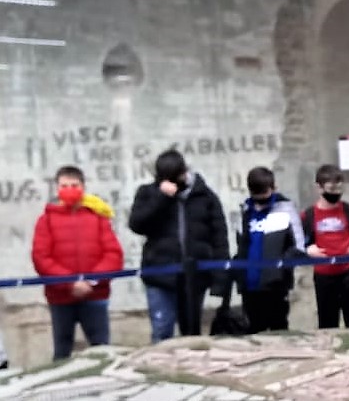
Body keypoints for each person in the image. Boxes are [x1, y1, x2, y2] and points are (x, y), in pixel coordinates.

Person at [129, 151, 229, 342]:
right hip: (159, 274)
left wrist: (219, 278)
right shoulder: (148, 193)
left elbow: (219, 238)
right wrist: (162, 197)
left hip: (195, 275)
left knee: (191, 332)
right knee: (162, 329)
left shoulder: (205, 196)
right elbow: (137, 224)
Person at [30, 166, 125, 360]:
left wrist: (91, 281)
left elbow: (113, 255)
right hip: (60, 298)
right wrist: (70, 283)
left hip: (95, 295)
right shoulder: (46, 220)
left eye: (74, 185)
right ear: (57, 188)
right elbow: (41, 258)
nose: (69, 190)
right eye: (64, 186)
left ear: (83, 187)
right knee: (62, 352)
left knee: (102, 351)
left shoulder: (98, 218)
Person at [233, 167, 306, 333]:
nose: (261, 198)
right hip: (249, 285)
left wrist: (279, 268)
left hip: (276, 286)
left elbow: (299, 247)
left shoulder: (286, 209)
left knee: (278, 330)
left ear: (273, 188)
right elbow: (241, 245)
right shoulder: (245, 211)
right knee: (253, 332)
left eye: (264, 193)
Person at [304, 164, 349, 328]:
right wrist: (307, 249)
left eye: (339, 188)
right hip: (324, 275)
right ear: (319, 188)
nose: (336, 193)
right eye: (331, 189)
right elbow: (298, 241)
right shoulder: (308, 215)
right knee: (327, 324)